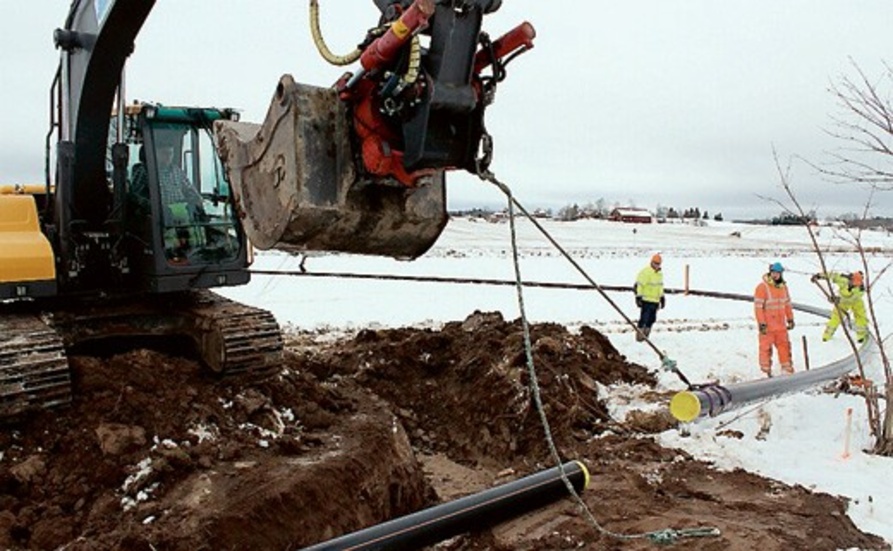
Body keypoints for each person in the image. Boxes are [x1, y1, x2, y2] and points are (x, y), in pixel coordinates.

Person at [753, 262, 795, 377]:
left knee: (785, 347)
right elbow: (758, 308)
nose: (775, 275)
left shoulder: (784, 288)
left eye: (777, 273)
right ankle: (765, 372)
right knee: (765, 349)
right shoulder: (762, 287)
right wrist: (761, 323)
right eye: (773, 273)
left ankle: (787, 370)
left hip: (780, 326)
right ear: (770, 273)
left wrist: (790, 319)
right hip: (767, 326)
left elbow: (787, 304)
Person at [811, 270, 868, 343]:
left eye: (855, 285)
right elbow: (832, 275)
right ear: (850, 279)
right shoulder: (843, 280)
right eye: (852, 283)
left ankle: (861, 336)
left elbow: (850, 298)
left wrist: (838, 299)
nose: (853, 285)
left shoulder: (860, 290)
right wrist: (819, 275)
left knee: (860, 317)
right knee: (836, 317)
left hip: (856, 302)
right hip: (842, 302)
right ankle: (826, 336)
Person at [634, 253, 665, 342]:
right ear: (651, 262)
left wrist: (662, 297)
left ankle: (646, 335)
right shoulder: (645, 272)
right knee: (644, 318)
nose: (656, 265)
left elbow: (660, 286)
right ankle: (639, 336)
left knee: (652, 319)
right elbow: (640, 285)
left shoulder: (659, 274)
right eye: (655, 263)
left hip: (655, 301)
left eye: (658, 264)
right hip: (646, 300)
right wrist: (638, 297)